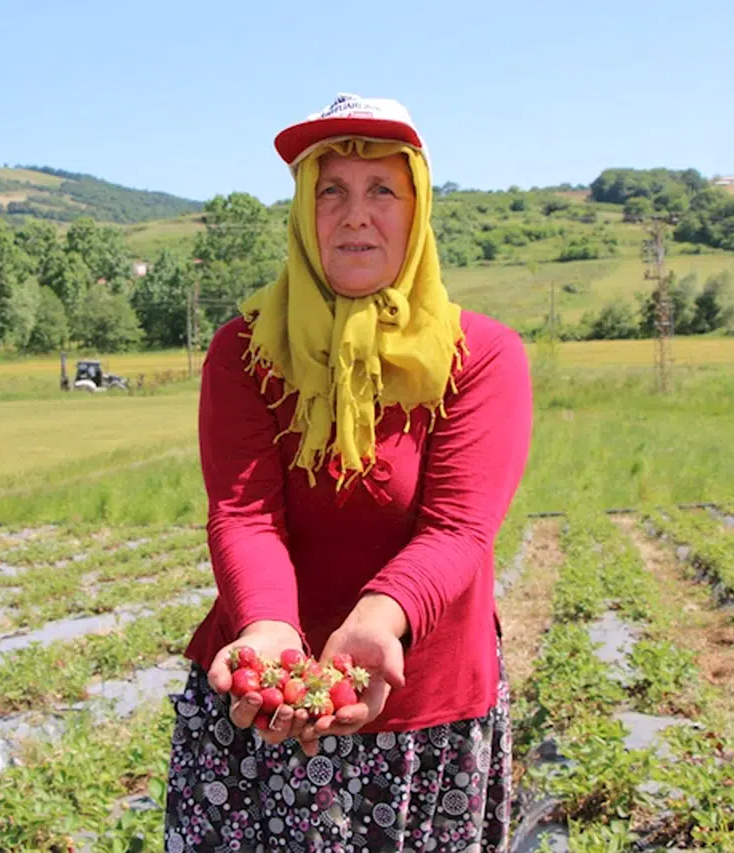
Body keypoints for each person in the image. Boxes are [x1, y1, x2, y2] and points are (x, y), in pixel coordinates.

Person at [164, 93, 534, 852]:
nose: (354, 213)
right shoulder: (246, 351)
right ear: (304, 211)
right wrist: (269, 628)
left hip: (421, 705)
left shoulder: (481, 356)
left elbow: (459, 526)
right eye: (330, 189)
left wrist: (374, 620)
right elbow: (245, 513)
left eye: (381, 190)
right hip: (267, 700)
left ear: (417, 207)